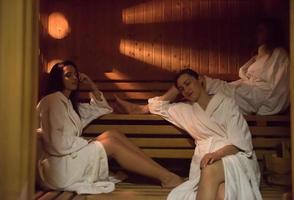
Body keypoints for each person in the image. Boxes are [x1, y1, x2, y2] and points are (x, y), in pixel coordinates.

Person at [36, 61, 183, 194]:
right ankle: (167, 178)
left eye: (76, 74)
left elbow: (102, 108)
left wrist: (91, 86)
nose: (74, 78)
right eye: (68, 75)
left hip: (69, 155)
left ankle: (165, 174)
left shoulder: (69, 104)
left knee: (112, 134)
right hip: (59, 167)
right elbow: (56, 144)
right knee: (111, 144)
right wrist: (87, 142)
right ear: (57, 79)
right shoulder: (52, 101)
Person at [115, 18, 290, 116]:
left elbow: (277, 90)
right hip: (243, 92)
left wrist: (264, 105)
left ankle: (144, 109)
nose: (257, 34)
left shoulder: (279, 54)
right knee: (191, 91)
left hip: (255, 97)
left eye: (261, 30)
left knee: (196, 82)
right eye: (257, 30)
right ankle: (147, 108)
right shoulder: (260, 56)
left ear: (272, 32)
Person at [148, 69, 262, 199]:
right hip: (207, 162)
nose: (186, 90)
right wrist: (175, 89)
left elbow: (240, 142)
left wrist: (216, 154)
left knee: (210, 169)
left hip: (235, 157)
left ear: (200, 80)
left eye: (188, 83)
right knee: (222, 193)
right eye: (182, 88)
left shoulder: (226, 103)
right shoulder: (185, 110)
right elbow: (156, 106)